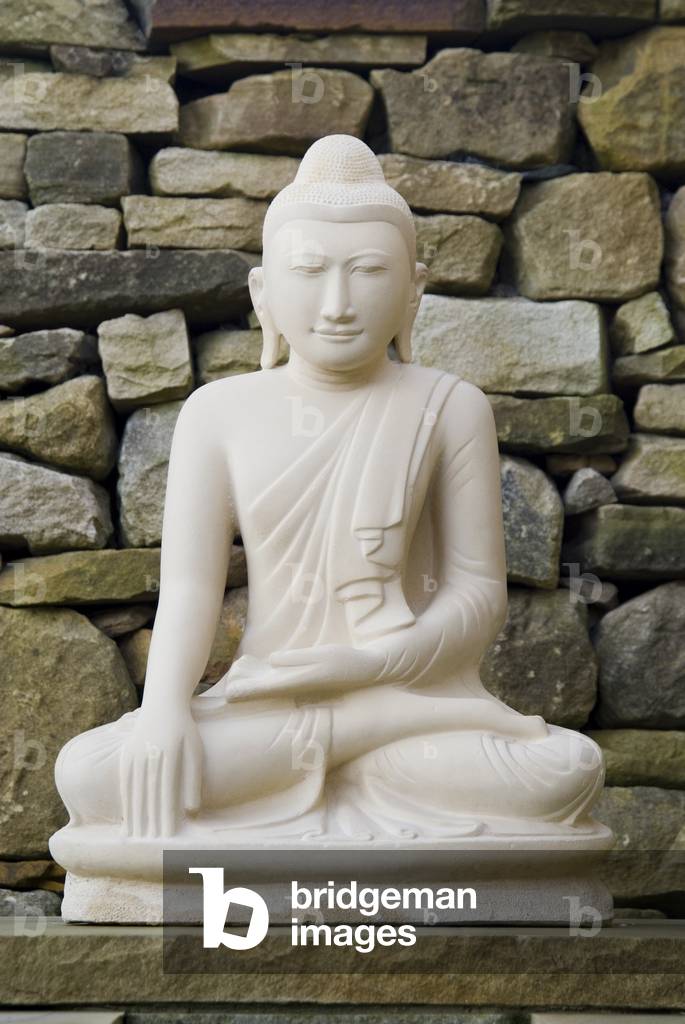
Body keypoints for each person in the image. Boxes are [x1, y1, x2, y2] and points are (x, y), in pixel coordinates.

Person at [52, 135, 607, 861]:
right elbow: (190, 589)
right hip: (267, 705)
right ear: (264, 294)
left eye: (369, 272)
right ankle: (366, 738)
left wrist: (368, 670)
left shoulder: (449, 406)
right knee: (92, 775)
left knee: (562, 770)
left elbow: (477, 597)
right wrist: (162, 715)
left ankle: (370, 735)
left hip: (418, 700)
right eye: (309, 272)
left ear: (413, 290)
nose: (338, 304)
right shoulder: (219, 413)